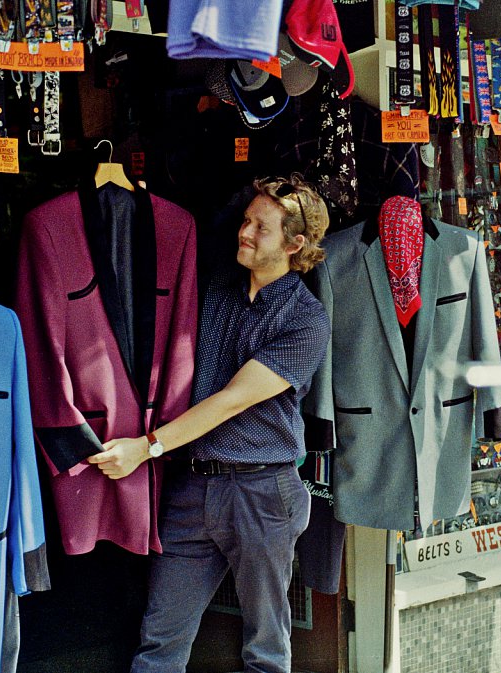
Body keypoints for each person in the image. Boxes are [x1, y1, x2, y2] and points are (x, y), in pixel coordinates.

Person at [87, 174, 331, 673]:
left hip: (263, 494)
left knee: (265, 649)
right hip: (194, 487)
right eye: (246, 220)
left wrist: (143, 447)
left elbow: (229, 401)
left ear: (294, 243)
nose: (245, 231)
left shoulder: (306, 320)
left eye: (260, 227)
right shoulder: (218, 283)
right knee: (159, 641)